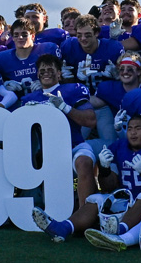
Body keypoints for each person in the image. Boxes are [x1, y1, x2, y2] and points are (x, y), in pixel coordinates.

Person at [33, 115, 141, 245]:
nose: (133, 133)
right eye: (130, 128)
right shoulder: (119, 147)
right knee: (96, 199)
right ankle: (63, 228)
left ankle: (118, 231)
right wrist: (104, 168)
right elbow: (109, 187)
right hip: (129, 200)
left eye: (138, 128)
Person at [17, 54, 97, 205]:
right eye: (42, 70)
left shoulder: (73, 89)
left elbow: (90, 120)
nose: (46, 72)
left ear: (59, 73)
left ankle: (84, 214)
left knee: (84, 162)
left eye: (50, 69)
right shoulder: (28, 99)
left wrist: (64, 107)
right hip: (43, 154)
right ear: (37, 74)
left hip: (73, 145)